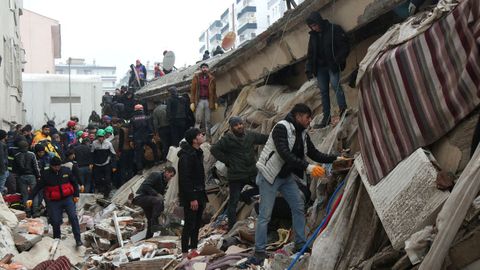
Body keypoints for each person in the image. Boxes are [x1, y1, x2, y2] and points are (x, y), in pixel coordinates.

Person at [244, 103, 340, 266]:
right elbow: (284, 153)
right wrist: (308, 167)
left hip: (285, 176)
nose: (309, 121)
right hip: (270, 175)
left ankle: (300, 244)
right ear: (298, 116)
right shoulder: (281, 128)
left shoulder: (303, 134)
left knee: (298, 206)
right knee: (265, 215)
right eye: (307, 117)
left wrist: (335, 158)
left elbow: (314, 153)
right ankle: (259, 252)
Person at [211, 117, 268, 230]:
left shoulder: (250, 136)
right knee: (233, 202)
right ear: (232, 128)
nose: (239, 126)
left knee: (264, 188)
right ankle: (232, 228)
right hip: (236, 175)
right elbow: (214, 150)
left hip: (251, 172)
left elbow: (265, 138)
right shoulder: (227, 139)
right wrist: (228, 161)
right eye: (236, 125)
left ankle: (246, 195)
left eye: (240, 124)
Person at [305, 12, 349, 128]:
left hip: (332, 65)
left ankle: (343, 111)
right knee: (324, 92)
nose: (315, 28)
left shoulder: (334, 29)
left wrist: (337, 60)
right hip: (320, 68)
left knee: (336, 86)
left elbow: (345, 46)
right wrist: (308, 69)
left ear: (320, 21)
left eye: (316, 25)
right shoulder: (313, 36)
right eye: (312, 27)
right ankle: (327, 118)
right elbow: (310, 54)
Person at [27, 156, 83, 247]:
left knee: (73, 217)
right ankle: (57, 239)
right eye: (55, 166)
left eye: (58, 166)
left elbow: (74, 182)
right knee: (55, 221)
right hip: (54, 201)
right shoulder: (46, 174)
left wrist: (76, 195)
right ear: (51, 166)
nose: (57, 168)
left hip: (67, 198)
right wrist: (30, 198)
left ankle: (78, 239)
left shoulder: (66, 171)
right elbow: (37, 187)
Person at [178, 128, 208, 259]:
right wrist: (192, 198)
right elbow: (185, 179)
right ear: (194, 140)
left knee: (197, 223)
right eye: (200, 135)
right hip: (192, 196)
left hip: (200, 193)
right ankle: (185, 253)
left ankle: (194, 249)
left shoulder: (197, 152)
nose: (203, 136)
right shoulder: (186, 156)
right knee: (189, 224)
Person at [132, 167, 176, 238]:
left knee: (150, 220)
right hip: (141, 197)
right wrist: (156, 194)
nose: (170, 178)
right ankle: (155, 222)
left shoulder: (164, 181)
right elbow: (145, 186)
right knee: (158, 201)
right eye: (170, 176)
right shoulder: (156, 175)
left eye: (172, 177)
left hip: (149, 200)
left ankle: (149, 238)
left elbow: (160, 195)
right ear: (166, 172)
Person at [129, 104, 159, 175]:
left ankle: (140, 169)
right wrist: (151, 136)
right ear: (142, 109)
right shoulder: (147, 117)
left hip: (137, 139)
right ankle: (156, 161)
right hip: (147, 137)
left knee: (138, 155)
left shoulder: (132, 119)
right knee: (154, 147)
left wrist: (131, 139)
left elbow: (131, 130)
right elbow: (150, 128)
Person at [14, 140, 41, 217]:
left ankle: (28, 211)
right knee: (34, 193)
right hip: (32, 176)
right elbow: (36, 166)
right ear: (27, 147)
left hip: (21, 176)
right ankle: (35, 211)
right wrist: (38, 176)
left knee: (25, 194)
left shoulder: (16, 156)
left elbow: (15, 169)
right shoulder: (32, 154)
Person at [190, 63, 217, 137]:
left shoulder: (211, 78)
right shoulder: (196, 77)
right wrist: (192, 102)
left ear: (208, 69)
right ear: (201, 69)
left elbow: (214, 91)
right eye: (203, 67)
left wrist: (215, 101)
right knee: (198, 120)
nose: (205, 69)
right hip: (200, 101)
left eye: (206, 68)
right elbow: (193, 90)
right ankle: (195, 137)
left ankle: (208, 138)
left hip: (208, 101)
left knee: (208, 121)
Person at [91, 129, 116, 198]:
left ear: (104, 136)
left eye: (101, 136)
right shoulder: (94, 143)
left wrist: (114, 166)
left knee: (107, 180)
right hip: (97, 165)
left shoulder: (108, 143)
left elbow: (113, 155)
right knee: (97, 180)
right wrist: (91, 163)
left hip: (106, 164)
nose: (100, 138)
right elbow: (92, 154)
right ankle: (100, 192)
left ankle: (107, 194)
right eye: (99, 136)